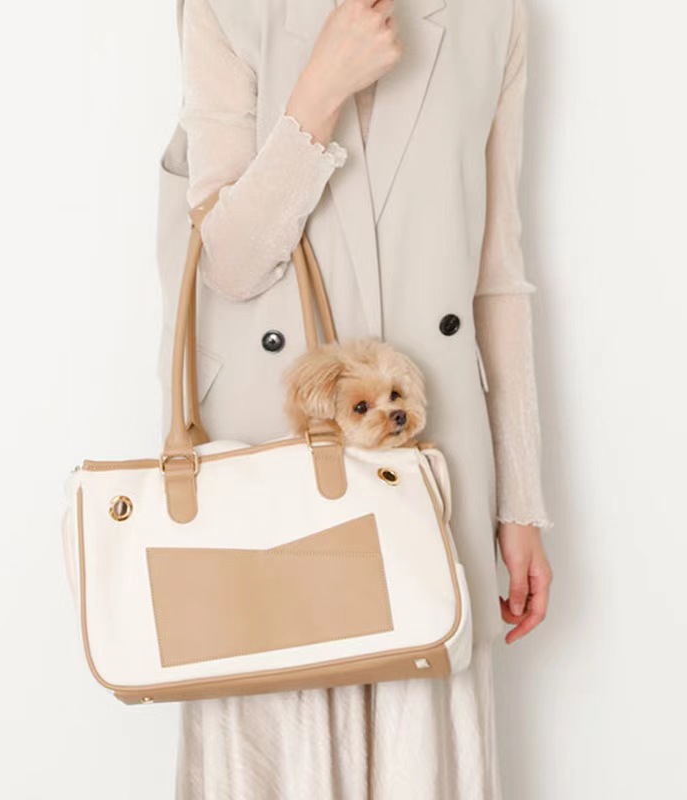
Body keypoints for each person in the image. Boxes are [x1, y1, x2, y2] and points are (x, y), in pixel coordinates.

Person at [156, 0, 554, 796]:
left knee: (418, 752)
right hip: (269, 473)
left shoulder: (493, 14)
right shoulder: (225, 10)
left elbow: (497, 276)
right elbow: (228, 264)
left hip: (431, 470)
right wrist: (319, 89)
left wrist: (520, 504)